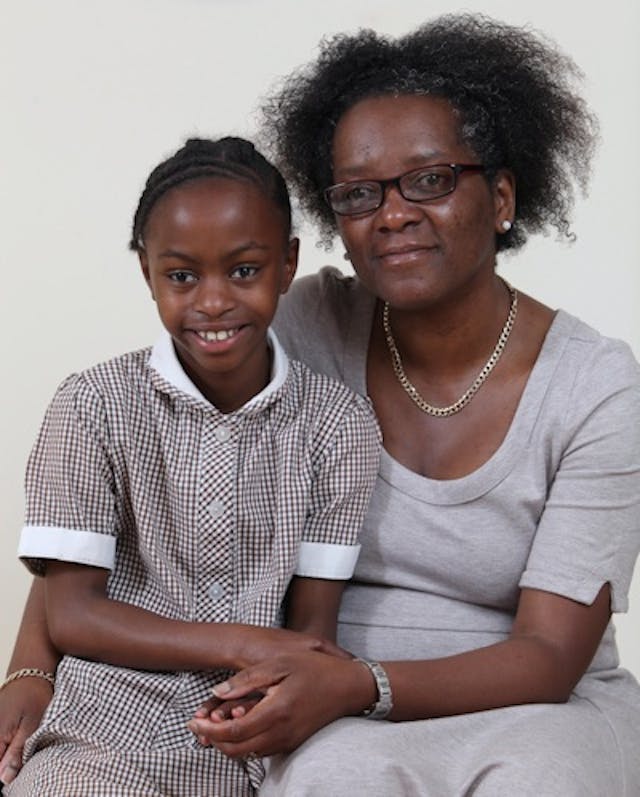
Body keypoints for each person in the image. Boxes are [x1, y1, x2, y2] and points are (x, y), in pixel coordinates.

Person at [3, 12, 640, 797]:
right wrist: (30, 667)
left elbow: (549, 654)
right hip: (315, 696)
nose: (395, 213)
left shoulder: (595, 385)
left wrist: (356, 684)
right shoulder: (301, 321)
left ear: (503, 195)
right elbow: (130, 469)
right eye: (361, 193)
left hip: (524, 699)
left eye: (432, 179)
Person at [0, 136, 381, 796]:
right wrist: (248, 643)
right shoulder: (93, 404)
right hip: (104, 723)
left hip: (257, 729)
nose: (212, 302)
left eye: (242, 270)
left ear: (287, 263)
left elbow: (313, 627)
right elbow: (71, 614)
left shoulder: (338, 424)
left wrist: (263, 680)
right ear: (146, 271)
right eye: (182, 276)